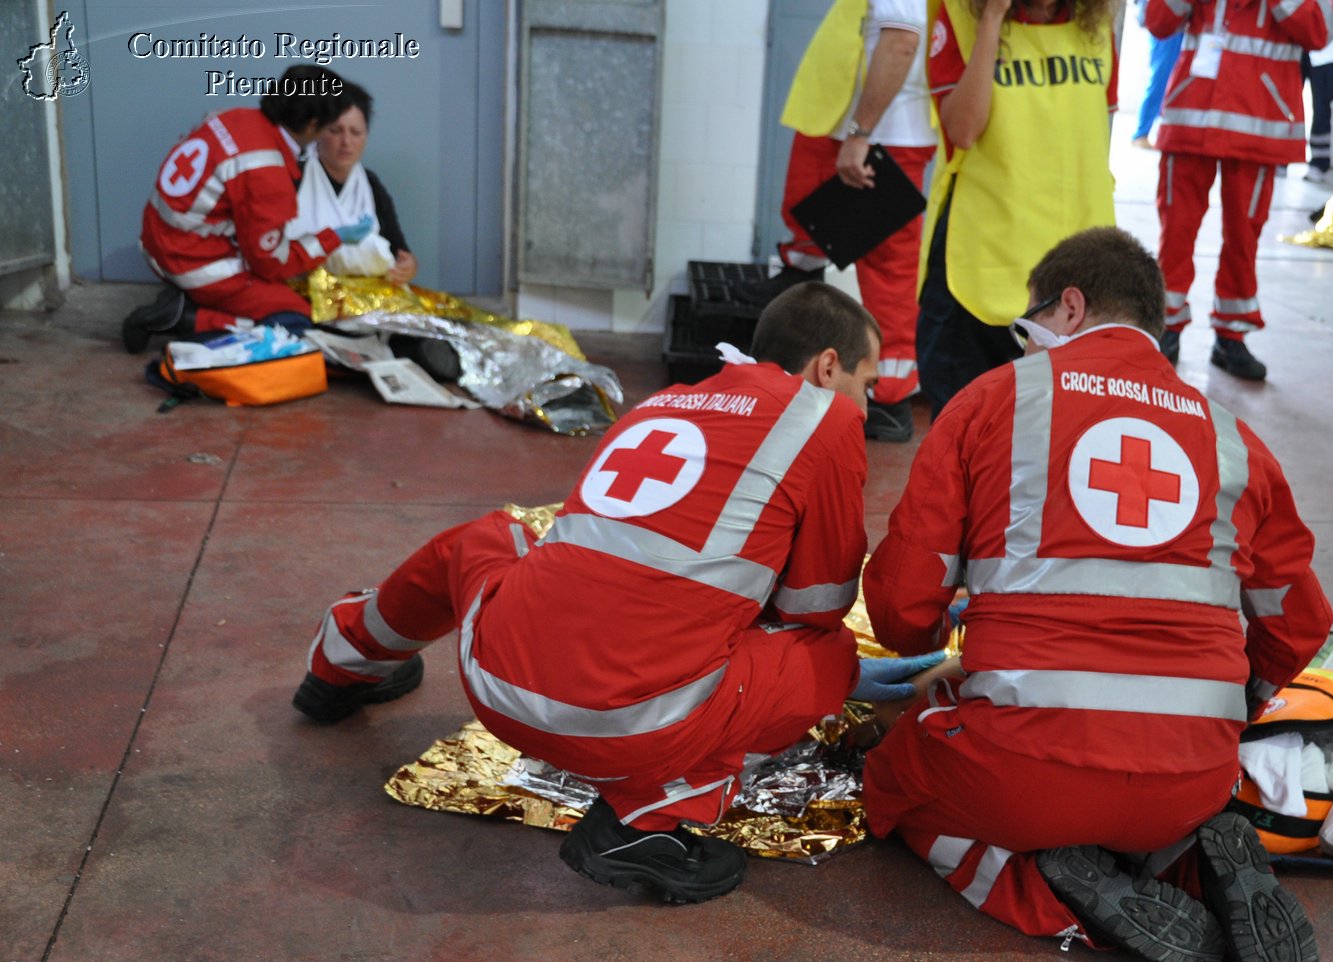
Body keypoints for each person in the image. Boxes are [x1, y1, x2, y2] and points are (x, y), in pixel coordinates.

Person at [295, 283, 931, 904]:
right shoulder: (826, 414)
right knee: (824, 655)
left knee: (483, 540)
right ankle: (645, 820)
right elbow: (810, 606)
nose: (868, 403)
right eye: (867, 383)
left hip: (495, 681)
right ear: (827, 367)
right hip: (628, 726)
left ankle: (343, 657)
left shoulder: (666, 403)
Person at [862, 228, 1333, 962]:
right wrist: (1230, 698)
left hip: (1023, 770)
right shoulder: (1235, 440)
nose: (1027, 340)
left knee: (895, 780)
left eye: (1030, 322)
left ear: (1069, 305)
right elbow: (1300, 623)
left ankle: (1057, 890)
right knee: (1143, 791)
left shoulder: (992, 400)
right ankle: (1181, 860)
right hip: (1194, 777)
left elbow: (902, 616)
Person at [740, 0, 937, 443]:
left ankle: (888, 401)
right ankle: (792, 314)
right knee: (812, 217)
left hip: (885, 134)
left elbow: (902, 42)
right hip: (862, 124)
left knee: (889, 273)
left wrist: (860, 134)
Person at [916, 0, 1118, 421]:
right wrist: (991, 18)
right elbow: (964, 129)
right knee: (964, 421)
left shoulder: (1093, 25)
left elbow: (1094, 136)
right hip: (983, 255)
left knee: (1052, 428)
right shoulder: (960, 18)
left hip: (1072, 261)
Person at [1145, 0, 1333, 381]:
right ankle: (1164, 327)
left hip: (1259, 121)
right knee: (1176, 232)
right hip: (1191, 114)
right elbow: (1157, 21)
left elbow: (1321, 32)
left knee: (1243, 238)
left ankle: (1231, 335)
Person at [122, 65, 369, 354]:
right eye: (330, 126)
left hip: (160, 236)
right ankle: (184, 318)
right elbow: (271, 264)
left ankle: (191, 303)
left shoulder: (233, 117)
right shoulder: (267, 172)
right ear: (313, 124)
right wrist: (333, 239)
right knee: (293, 322)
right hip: (191, 259)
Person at [290, 80, 417, 284]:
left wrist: (408, 267)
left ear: (366, 135)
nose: (346, 142)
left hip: (363, 300)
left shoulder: (370, 184)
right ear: (318, 132)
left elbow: (399, 251)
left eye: (355, 132)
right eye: (335, 131)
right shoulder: (293, 176)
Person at [1131, 0, 1181, 150]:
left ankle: (1155, 132)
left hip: (1175, 20)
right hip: (1167, 21)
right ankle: (1141, 133)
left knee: (1171, 80)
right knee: (1161, 78)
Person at [1300, 29, 1333, 183]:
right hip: (1298, 41)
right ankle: (1281, 158)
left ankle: (1319, 162)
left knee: (1322, 109)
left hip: (1327, 47)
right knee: (1286, 103)